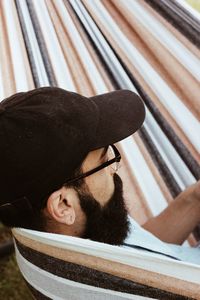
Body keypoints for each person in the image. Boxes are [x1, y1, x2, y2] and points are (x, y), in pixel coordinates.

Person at [0, 87, 200, 264]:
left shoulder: (90, 236)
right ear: (63, 204)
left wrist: (193, 198)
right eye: (105, 161)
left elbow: (145, 253)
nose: (115, 170)